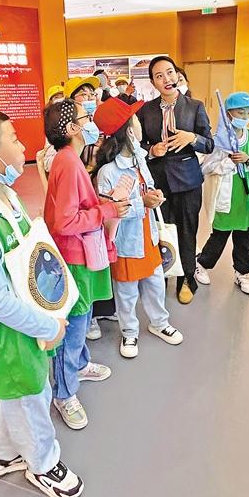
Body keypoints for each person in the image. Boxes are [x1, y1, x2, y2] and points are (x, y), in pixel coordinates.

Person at [0, 108, 84, 497]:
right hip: (4, 334)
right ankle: (43, 465)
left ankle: (2, 455)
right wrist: (48, 326)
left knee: (22, 393)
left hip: (26, 321)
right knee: (31, 396)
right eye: (14, 138)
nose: (23, 146)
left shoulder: (6, 197)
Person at [43, 99, 120, 429]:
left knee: (84, 315)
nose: (92, 123)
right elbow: (65, 222)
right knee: (74, 324)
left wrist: (102, 204)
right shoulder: (69, 163)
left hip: (81, 252)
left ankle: (79, 364)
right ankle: (63, 392)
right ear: (72, 128)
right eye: (86, 117)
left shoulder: (70, 159)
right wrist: (107, 210)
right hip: (74, 255)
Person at [93, 98, 184, 358]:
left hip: (148, 236)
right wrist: (141, 203)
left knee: (155, 283)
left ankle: (160, 323)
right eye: (136, 120)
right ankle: (129, 332)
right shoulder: (108, 172)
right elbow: (111, 211)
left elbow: (148, 186)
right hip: (126, 241)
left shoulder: (139, 159)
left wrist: (154, 195)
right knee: (127, 291)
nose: (140, 124)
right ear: (129, 132)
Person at [137, 55, 214, 304]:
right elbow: (137, 143)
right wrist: (151, 150)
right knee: (161, 231)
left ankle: (187, 279)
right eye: (159, 76)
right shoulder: (145, 111)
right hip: (158, 181)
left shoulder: (194, 107)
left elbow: (209, 144)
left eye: (169, 72)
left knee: (187, 230)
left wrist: (192, 138)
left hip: (188, 181)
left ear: (177, 75)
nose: (166, 79)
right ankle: (163, 276)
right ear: (153, 82)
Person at [195, 92, 249, 295]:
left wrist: (248, 160)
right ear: (228, 114)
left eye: (248, 113)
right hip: (226, 196)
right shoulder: (219, 140)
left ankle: (242, 273)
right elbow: (206, 167)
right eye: (240, 112)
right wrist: (228, 163)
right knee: (220, 235)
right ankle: (202, 264)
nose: (244, 116)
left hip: (246, 195)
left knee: (245, 238)